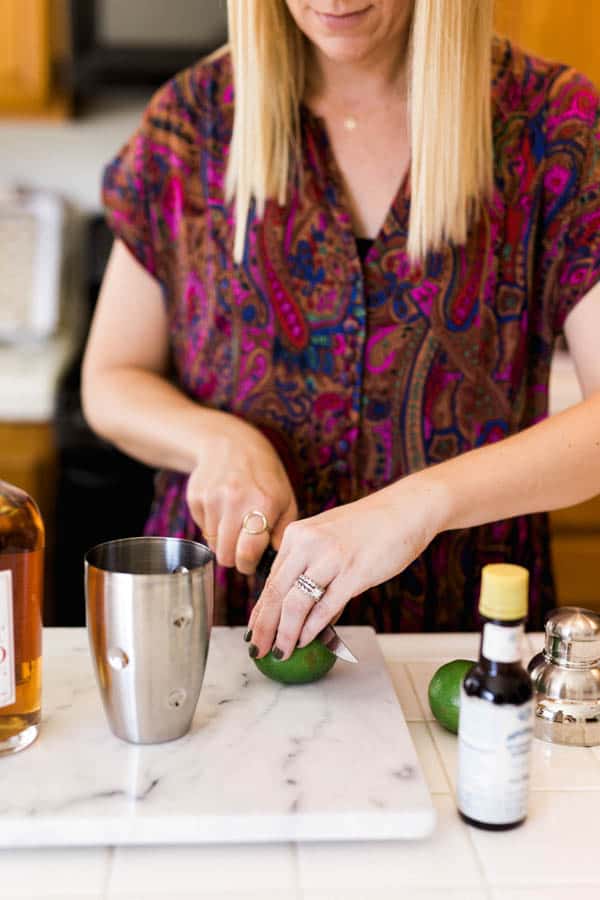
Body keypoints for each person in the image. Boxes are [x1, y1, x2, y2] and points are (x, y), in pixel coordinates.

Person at [82, 1, 600, 663]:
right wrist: (218, 440)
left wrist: (419, 505)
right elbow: (110, 379)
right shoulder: (193, 119)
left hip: (451, 644)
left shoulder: (554, 125)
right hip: (221, 642)